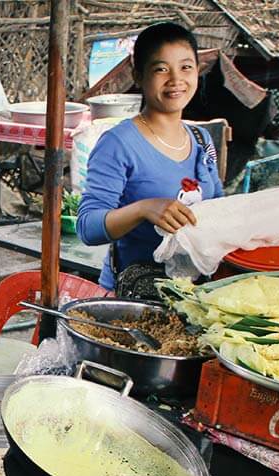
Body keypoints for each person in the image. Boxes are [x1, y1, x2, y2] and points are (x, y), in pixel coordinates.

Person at [76, 22, 223, 291]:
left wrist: (278, 205)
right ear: (138, 75)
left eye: (185, 67)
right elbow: (88, 227)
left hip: (196, 294)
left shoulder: (202, 139)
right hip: (135, 297)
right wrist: (144, 209)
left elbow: (221, 211)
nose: (176, 79)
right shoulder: (118, 143)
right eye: (161, 69)